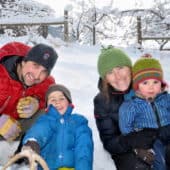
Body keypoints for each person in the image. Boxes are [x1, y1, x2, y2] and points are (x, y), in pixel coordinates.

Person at [93, 46, 158, 170]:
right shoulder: (102, 101)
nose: (118, 76)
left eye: (120, 68)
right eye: (110, 72)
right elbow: (109, 142)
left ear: (130, 68)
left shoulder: (146, 85)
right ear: (105, 78)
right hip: (126, 150)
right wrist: (132, 140)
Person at [0, 41, 58, 164]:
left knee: (50, 113)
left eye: (44, 71)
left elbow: (55, 101)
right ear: (24, 61)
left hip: (16, 130)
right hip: (3, 128)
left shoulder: (46, 83)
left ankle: (29, 150)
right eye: (35, 65)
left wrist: (37, 103)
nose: (37, 75)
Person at [20, 84, 94, 170]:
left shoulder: (78, 122)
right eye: (52, 99)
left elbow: (84, 148)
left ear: (70, 103)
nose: (57, 102)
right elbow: (39, 130)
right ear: (47, 107)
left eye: (61, 98)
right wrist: (32, 142)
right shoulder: (45, 121)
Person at [119, 55, 170, 170]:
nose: (151, 87)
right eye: (145, 83)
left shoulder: (165, 98)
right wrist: (136, 144)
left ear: (161, 83)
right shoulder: (132, 105)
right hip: (150, 137)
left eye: (155, 82)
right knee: (160, 162)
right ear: (137, 86)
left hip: (167, 131)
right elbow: (126, 126)